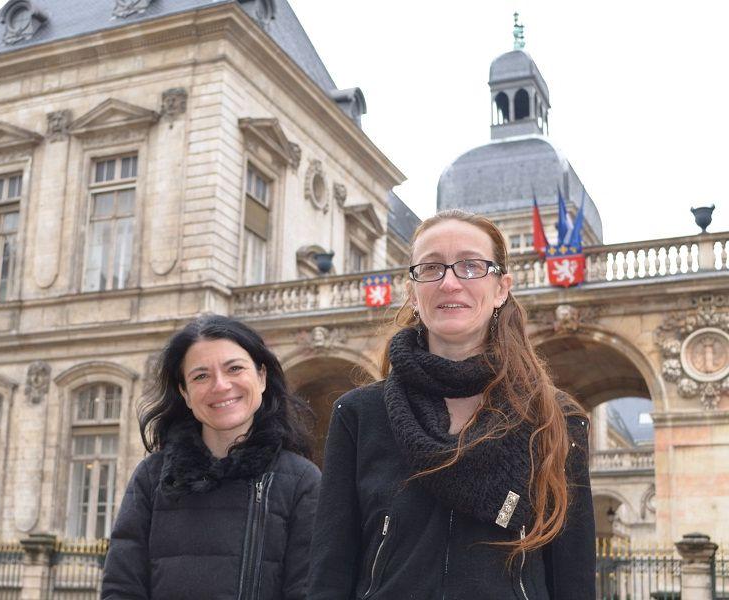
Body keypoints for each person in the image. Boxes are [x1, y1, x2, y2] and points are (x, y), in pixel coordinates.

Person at [308, 210, 595, 600]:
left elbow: (573, 575)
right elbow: (331, 570)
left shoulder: (555, 418)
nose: (449, 282)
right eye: (431, 268)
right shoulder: (359, 415)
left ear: (501, 288)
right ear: (412, 292)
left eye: (471, 266)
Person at [103, 315, 320, 600]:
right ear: (185, 393)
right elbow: (122, 589)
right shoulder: (152, 477)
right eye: (201, 376)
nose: (220, 385)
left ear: (262, 376)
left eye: (234, 368)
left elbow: (307, 591)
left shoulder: (302, 482)